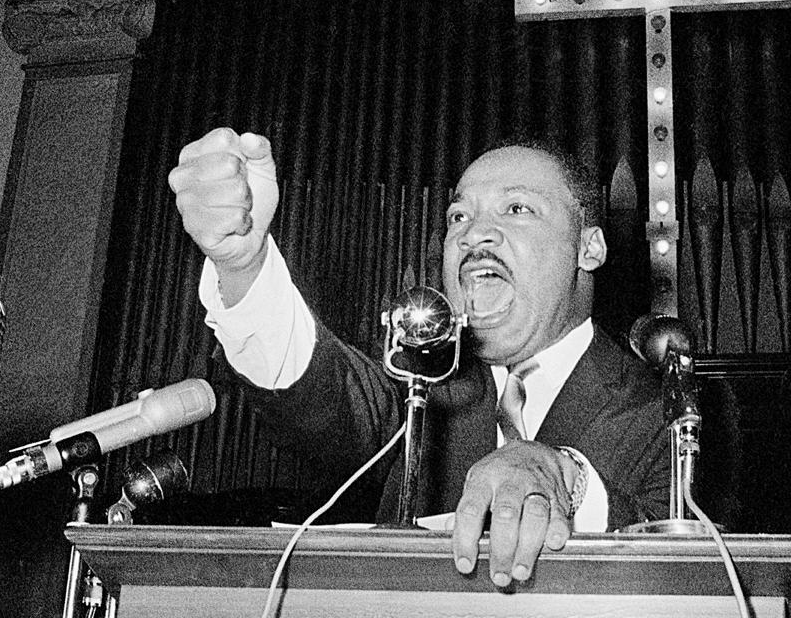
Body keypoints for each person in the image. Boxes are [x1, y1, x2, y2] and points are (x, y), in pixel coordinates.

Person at [170, 128, 671, 588]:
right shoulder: (418, 390)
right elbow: (324, 389)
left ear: (590, 247)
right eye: (459, 216)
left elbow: (695, 568)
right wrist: (243, 263)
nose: (474, 235)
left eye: (517, 209)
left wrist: (567, 477)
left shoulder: (674, 410)